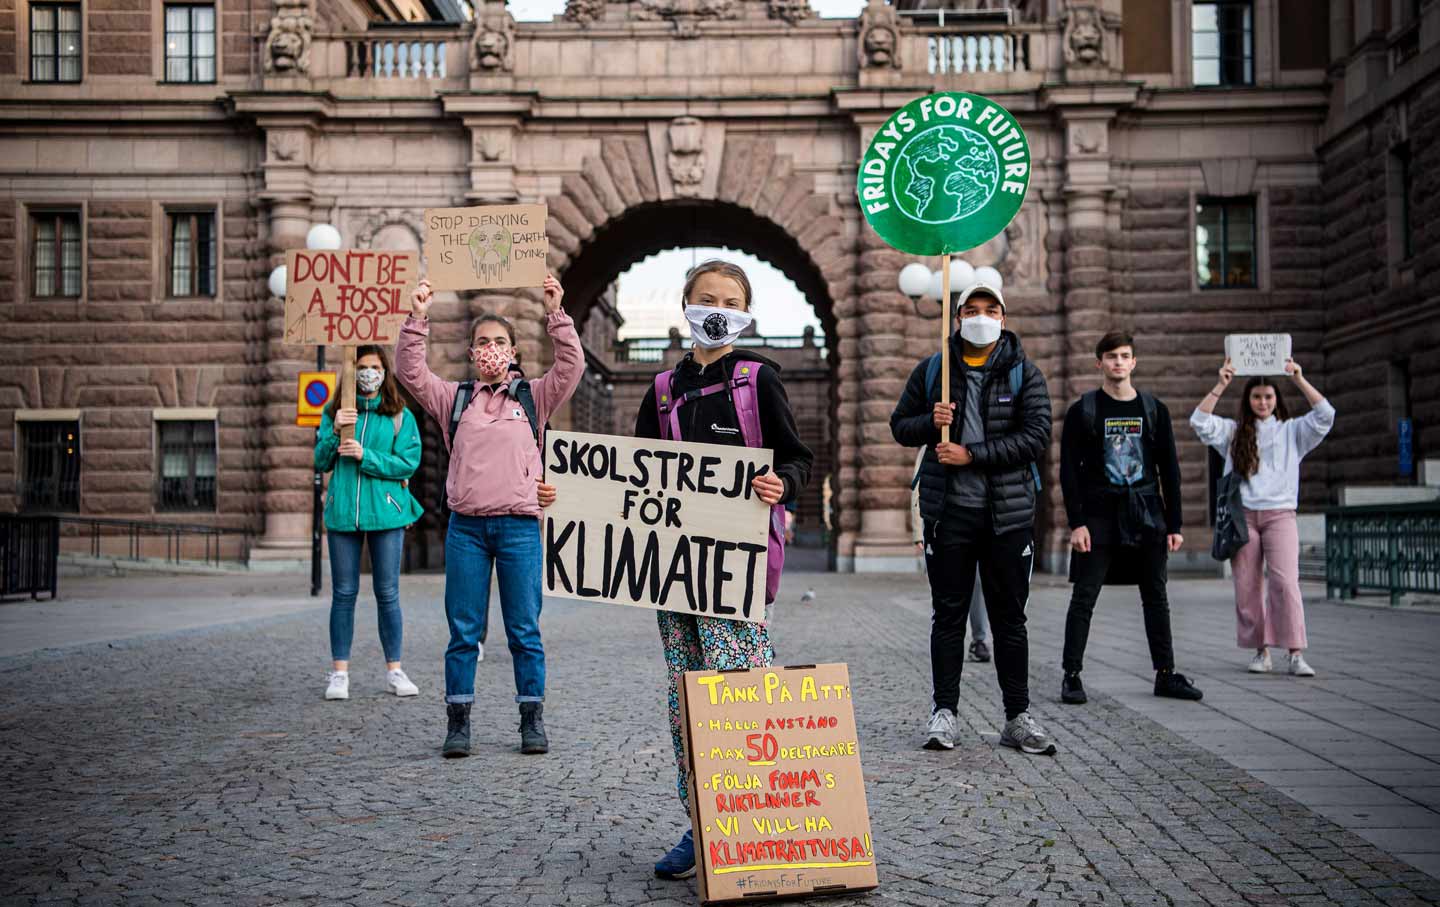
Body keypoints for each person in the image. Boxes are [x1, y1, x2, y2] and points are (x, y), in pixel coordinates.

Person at [634, 259, 814, 881]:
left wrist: (780, 482)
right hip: (672, 565)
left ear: (745, 311)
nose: (716, 307)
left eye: (729, 299)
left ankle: (758, 821)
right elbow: (628, 477)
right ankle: (702, 822)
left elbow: (797, 457)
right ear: (685, 303)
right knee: (686, 695)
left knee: (740, 688)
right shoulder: (661, 392)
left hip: (736, 562)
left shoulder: (758, 379)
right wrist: (566, 499)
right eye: (706, 297)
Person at [397, 274, 582, 757]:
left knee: (525, 630)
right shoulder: (453, 400)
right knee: (463, 632)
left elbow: (572, 366)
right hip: (467, 530)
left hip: (520, 527)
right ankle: (458, 724)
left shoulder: (533, 397)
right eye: (483, 342)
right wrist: (417, 316)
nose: (492, 349)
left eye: (500, 342)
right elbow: (411, 372)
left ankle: (531, 721)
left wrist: (556, 314)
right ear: (472, 351)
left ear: (515, 351)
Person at [890, 275, 1055, 756]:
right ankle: (944, 712)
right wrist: (930, 422)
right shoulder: (932, 371)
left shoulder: (1026, 372)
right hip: (949, 514)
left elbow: (1036, 437)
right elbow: (900, 427)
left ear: (1003, 319)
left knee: (1010, 619)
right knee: (948, 617)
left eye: (991, 310)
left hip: (1008, 517)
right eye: (972, 310)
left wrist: (972, 454)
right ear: (958, 317)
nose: (981, 318)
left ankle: (1017, 716)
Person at [1058, 331, 1203, 705]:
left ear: (1134, 362)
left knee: (1156, 595)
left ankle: (1166, 674)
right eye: (1111, 357)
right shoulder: (1084, 410)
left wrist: (1175, 525)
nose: (1118, 362)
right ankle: (1071, 675)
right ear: (1099, 363)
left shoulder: (1154, 410)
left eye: (1124, 356)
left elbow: (1169, 469)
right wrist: (1077, 523)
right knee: (1084, 595)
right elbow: (1068, 472)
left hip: (1146, 514)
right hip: (1099, 516)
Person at [1191, 357, 1334, 676]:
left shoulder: (1293, 430)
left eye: (1269, 397)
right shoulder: (1233, 432)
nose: (1263, 402)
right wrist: (1221, 384)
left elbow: (1326, 415)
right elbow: (1199, 421)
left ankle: (1296, 653)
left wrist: (1298, 378)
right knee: (1247, 586)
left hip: (1280, 515)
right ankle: (1261, 651)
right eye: (1257, 397)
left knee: (1285, 583)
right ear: (1248, 401)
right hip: (1243, 518)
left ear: (1276, 400)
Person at [313, 345, 425, 702]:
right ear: (352, 371)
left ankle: (395, 669)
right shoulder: (335, 412)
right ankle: (339, 673)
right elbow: (321, 461)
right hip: (344, 512)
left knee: (387, 593)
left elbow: (407, 463)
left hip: (387, 513)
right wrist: (334, 431)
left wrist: (367, 457)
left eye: (375, 367)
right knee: (343, 594)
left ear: (385, 372)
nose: (368, 373)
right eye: (362, 367)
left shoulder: (399, 416)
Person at [910, 447, 990, 662]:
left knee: (978, 584)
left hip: (979, 522)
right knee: (946, 593)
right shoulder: (932, 443)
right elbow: (919, 486)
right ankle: (950, 641)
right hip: (941, 527)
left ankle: (979, 639)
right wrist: (919, 531)